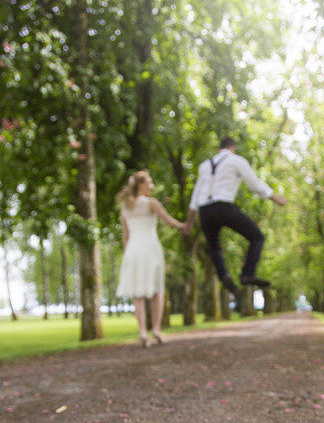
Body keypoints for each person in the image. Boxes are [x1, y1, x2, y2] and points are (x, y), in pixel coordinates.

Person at [185, 137, 286, 298]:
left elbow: (195, 197)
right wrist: (275, 198)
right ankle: (247, 274)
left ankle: (223, 275)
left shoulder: (204, 166)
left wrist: (189, 223)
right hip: (224, 207)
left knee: (214, 247)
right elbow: (255, 185)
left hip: (205, 211)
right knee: (257, 237)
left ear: (219, 149)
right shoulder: (236, 160)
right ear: (233, 148)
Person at [116, 170, 187, 347]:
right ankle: (155, 328)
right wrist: (184, 226)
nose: (152, 186)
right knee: (157, 290)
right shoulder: (151, 203)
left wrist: (127, 255)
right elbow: (169, 221)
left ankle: (142, 331)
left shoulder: (125, 207)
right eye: (150, 182)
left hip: (133, 250)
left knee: (137, 294)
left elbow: (125, 236)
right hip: (150, 247)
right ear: (141, 185)